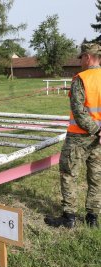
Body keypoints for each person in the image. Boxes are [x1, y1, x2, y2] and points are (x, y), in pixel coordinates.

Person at [45, 43, 101, 229]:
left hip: (79, 136)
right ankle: (92, 217)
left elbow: (79, 111)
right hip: (99, 139)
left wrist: (96, 130)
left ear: (87, 57)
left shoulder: (81, 78)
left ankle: (69, 217)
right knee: (96, 176)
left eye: (81, 58)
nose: (81, 62)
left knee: (68, 174)